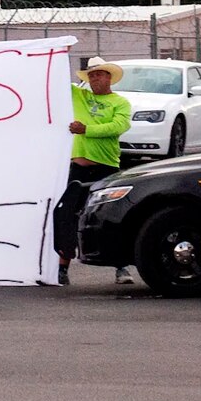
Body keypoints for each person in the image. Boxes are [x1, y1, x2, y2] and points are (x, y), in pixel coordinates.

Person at [58, 57, 134, 286]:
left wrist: (86, 129)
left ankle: (121, 265)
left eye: (99, 74)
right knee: (68, 215)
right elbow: (56, 80)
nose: (94, 79)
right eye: (91, 75)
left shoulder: (120, 102)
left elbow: (118, 127)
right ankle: (62, 268)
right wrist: (61, 53)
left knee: (111, 216)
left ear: (109, 77)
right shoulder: (79, 95)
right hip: (79, 167)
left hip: (106, 166)